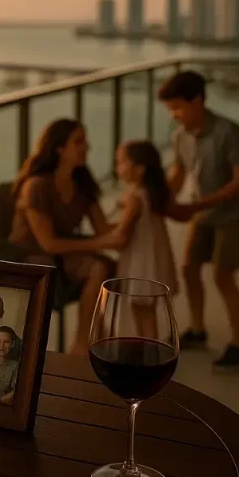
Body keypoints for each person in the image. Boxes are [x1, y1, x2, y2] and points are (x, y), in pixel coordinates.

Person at [158, 70, 239, 369]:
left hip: (232, 215)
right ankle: (198, 330)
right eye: (170, 109)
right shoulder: (180, 136)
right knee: (189, 269)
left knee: (223, 276)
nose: (174, 115)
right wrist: (160, 200)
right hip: (203, 213)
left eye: (177, 107)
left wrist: (197, 205)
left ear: (197, 100)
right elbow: (178, 174)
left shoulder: (229, 131)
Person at [9, 118, 118, 355]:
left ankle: (88, 340)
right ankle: (86, 343)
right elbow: (47, 242)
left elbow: (103, 228)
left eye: (85, 140)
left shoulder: (81, 180)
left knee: (104, 267)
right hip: (32, 256)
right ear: (59, 148)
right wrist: (99, 243)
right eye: (79, 141)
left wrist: (134, 215)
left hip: (64, 252)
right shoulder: (37, 186)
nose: (87, 146)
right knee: (98, 266)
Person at [104, 140, 180, 338]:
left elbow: (122, 233)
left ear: (139, 169)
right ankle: (148, 350)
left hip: (141, 264)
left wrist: (96, 238)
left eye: (121, 162)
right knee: (148, 312)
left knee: (142, 312)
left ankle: (146, 353)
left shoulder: (134, 198)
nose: (117, 168)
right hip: (153, 261)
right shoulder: (152, 195)